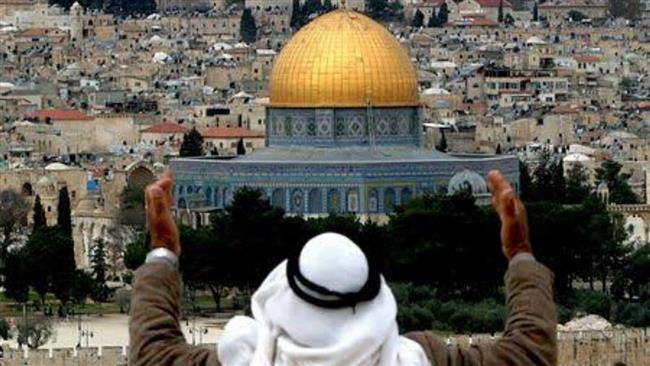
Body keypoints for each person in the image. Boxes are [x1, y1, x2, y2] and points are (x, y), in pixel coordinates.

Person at [129, 170, 557, 366]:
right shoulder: (416, 360)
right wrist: (519, 252)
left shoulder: (247, 359)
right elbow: (529, 353)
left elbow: (152, 352)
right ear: (374, 303)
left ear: (284, 299)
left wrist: (164, 250)